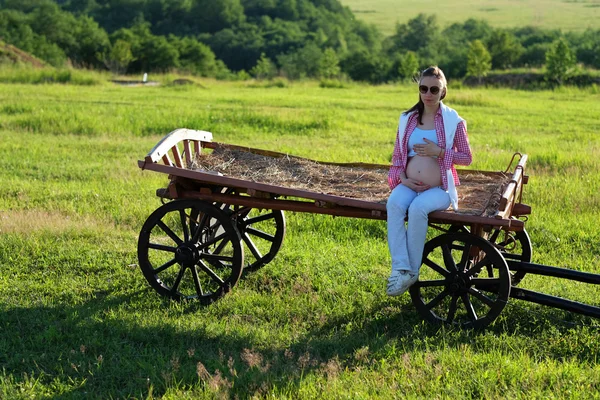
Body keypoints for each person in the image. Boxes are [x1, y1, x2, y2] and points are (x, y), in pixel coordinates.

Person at [386, 66, 472, 296]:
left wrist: (440, 152)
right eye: (423, 88)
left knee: (417, 209)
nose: (428, 93)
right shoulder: (407, 119)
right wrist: (403, 179)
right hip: (409, 184)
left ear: (443, 92)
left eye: (434, 89)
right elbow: (397, 156)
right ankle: (400, 268)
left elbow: (467, 157)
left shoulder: (453, 121)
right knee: (394, 205)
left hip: (440, 188)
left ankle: (412, 271)